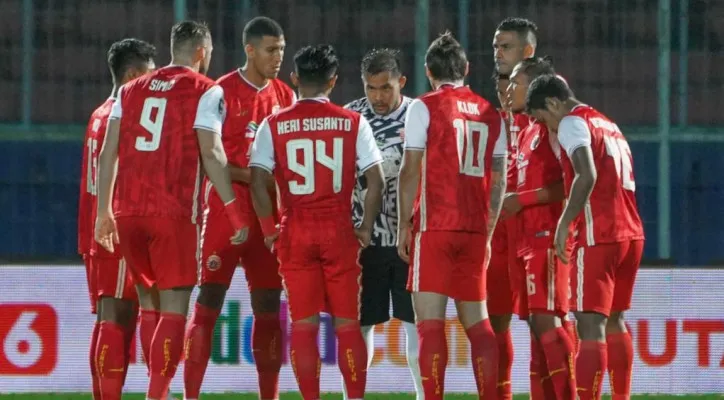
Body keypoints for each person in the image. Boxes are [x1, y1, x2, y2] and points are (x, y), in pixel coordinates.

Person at [94, 21, 247, 400]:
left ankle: (152, 391)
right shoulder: (206, 90)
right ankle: (157, 395)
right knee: (176, 309)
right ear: (201, 52)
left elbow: (108, 151)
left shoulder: (130, 90)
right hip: (174, 212)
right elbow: (212, 152)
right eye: (208, 53)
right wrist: (232, 209)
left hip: (128, 212)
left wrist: (103, 212)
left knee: (149, 304)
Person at [249, 44, 385, 400]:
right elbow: (377, 179)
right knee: (347, 325)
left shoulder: (273, 124)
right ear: (334, 81)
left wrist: (269, 230)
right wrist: (366, 227)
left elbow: (257, 180)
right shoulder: (354, 122)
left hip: (296, 229)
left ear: (294, 79)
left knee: (304, 327)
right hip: (339, 229)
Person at [183, 17, 295, 400]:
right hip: (224, 216)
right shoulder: (219, 93)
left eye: (281, 49)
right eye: (270, 50)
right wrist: (255, 175)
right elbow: (209, 157)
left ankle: (270, 395)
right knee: (208, 306)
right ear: (249, 50)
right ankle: (190, 395)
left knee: (268, 308)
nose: (278, 57)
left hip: (268, 219)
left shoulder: (286, 96)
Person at [396, 32, 507, 400]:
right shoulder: (493, 113)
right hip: (474, 230)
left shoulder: (423, 107)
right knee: (479, 325)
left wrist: (403, 225)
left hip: (435, 226)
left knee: (430, 325)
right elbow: (499, 179)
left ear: (429, 72)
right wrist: (488, 234)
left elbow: (410, 169)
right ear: (467, 69)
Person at [525, 74, 645, 400]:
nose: (547, 127)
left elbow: (586, 173)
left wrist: (565, 224)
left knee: (589, 325)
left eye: (542, 118)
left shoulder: (571, 123)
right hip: (631, 234)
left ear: (552, 103)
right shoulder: (607, 123)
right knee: (616, 321)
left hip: (598, 234)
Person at [343, 48, 422, 400]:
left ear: (401, 82)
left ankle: (424, 394)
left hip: (409, 240)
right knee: (361, 326)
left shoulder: (419, 116)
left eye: (385, 88)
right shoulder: (349, 116)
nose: (377, 96)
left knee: (415, 326)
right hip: (365, 240)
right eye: (371, 88)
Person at [79, 38, 156, 400]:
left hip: (94, 228)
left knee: (108, 316)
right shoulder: (125, 118)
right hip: (117, 227)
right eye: (150, 75)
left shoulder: (98, 113)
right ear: (133, 75)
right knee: (118, 318)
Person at [504, 57, 575, 399]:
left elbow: (570, 184)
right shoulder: (527, 130)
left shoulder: (555, 128)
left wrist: (523, 199)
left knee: (547, 321)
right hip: (524, 238)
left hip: (548, 235)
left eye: (515, 82)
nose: (508, 89)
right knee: (536, 327)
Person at [489, 17, 538, 398]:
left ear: (528, 51)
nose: (497, 53)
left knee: (545, 322)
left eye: (505, 46)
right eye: (495, 46)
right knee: (494, 321)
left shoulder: (548, 99)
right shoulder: (493, 106)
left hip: (537, 223)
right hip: (499, 227)